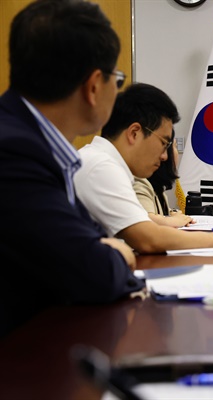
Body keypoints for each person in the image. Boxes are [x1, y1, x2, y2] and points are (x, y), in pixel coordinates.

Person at [0, 0, 145, 337]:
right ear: (94, 86)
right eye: (117, 79)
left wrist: (100, 250)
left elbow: (85, 244)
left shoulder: (37, 144)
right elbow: (91, 271)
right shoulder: (14, 152)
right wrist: (118, 254)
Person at [74, 83, 213, 253]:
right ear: (134, 133)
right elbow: (148, 238)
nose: (165, 156)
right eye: (164, 143)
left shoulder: (102, 161)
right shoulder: (102, 167)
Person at [133, 128, 193, 228]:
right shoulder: (140, 182)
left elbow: (160, 212)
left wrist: (173, 213)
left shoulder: (158, 188)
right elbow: (145, 220)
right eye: (174, 146)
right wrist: (172, 221)